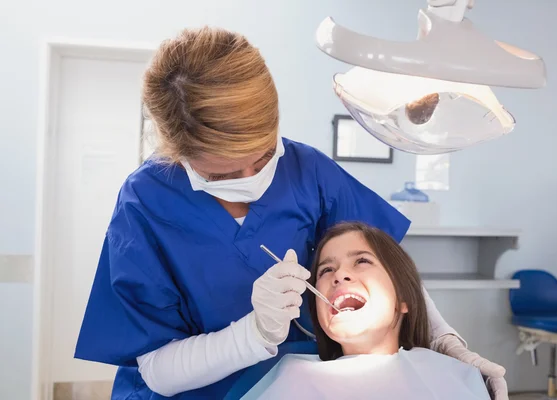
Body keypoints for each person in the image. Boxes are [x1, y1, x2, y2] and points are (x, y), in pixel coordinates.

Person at [74, 27, 507, 400]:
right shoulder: (146, 203)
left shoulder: (309, 171)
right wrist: (255, 332)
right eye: (226, 170)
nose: (253, 175)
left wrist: (447, 343)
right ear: (180, 154)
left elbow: (391, 268)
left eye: (263, 156)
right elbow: (158, 370)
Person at [233, 223, 495, 399]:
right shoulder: (292, 380)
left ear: (404, 298)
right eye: (326, 270)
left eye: (362, 261)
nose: (340, 275)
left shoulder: (454, 376)